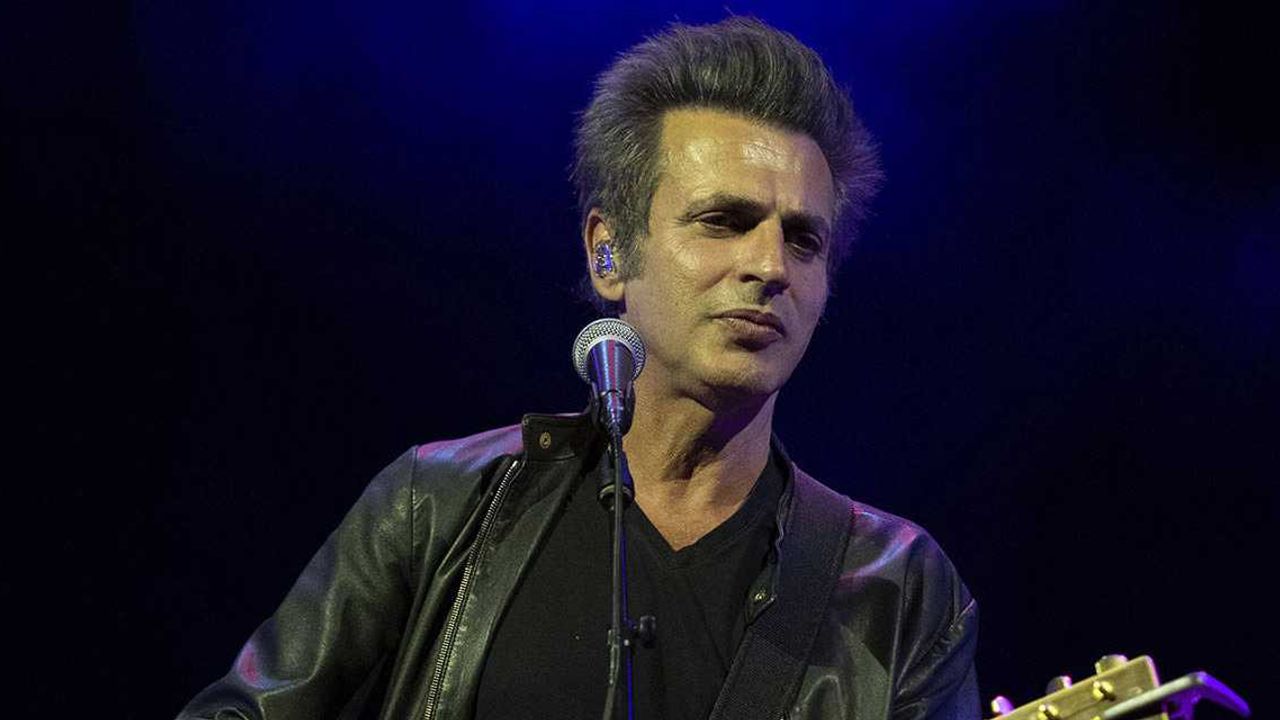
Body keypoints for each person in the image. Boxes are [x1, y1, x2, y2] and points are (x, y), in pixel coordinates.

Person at [179, 17, 978, 720]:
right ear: (608, 252)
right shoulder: (439, 505)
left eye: (804, 239)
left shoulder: (895, 587)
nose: (771, 266)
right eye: (723, 221)